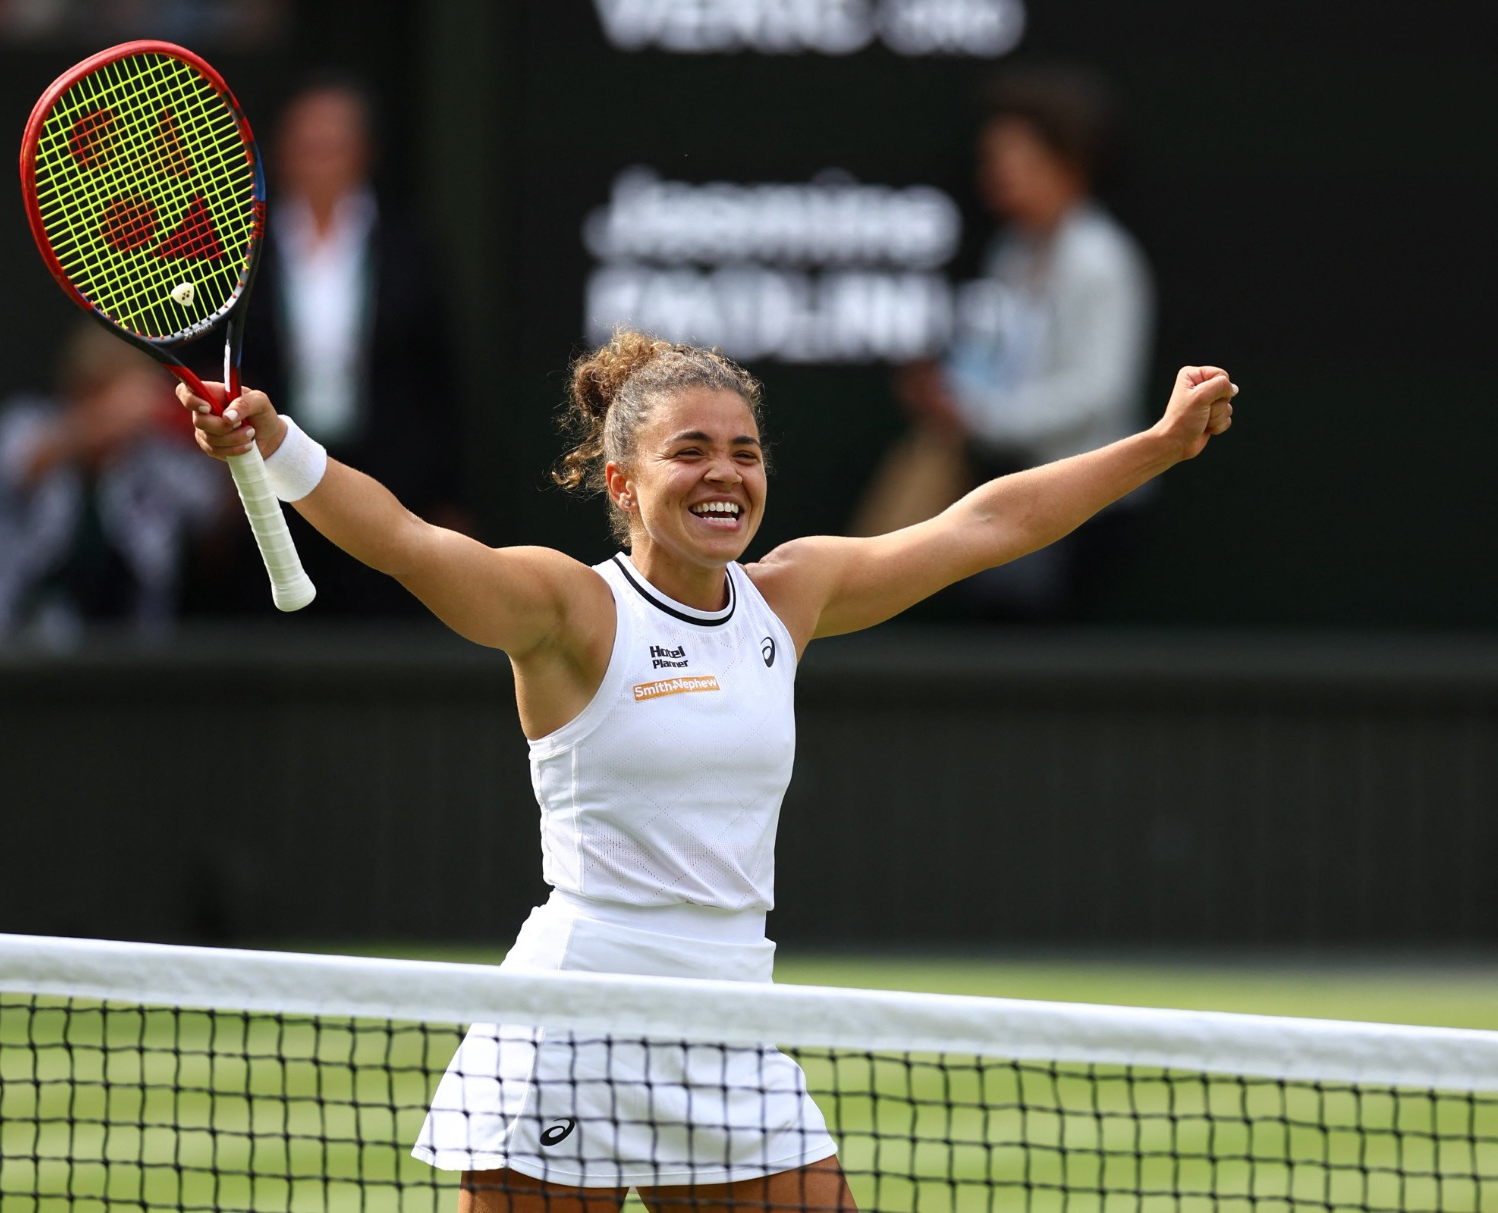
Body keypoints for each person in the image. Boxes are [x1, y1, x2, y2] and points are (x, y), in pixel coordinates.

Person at [178, 330, 1236, 1210]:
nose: (724, 473)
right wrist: (277, 440)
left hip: (731, 1017)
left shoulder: (791, 596)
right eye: (691, 451)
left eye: (743, 450)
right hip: (576, 1017)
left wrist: (1151, 447)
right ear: (622, 483)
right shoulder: (567, 608)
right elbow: (408, 541)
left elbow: (985, 523)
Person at [852, 67, 1155, 621]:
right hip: (1018, 492)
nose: (992, 175)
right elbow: (990, 363)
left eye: (1009, 159)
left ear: (1065, 162)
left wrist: (982, 415)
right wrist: (951, 397)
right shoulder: (1014, 251)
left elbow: (1098, 395)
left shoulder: (1101, 260)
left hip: (1088, 506)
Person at [228, 74, 470, 614]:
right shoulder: (247, 246)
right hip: (267, 485)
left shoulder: (409, 248)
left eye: (331, 147)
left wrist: (449, 498)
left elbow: (440, 379)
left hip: (387, 480)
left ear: (362, 155)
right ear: (282, 156)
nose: (317, 162)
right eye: (305, 148)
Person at [0, 326, 224, 653]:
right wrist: (112, 416)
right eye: (99, 391)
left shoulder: (151, 456)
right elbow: (24, 464)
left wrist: (210, 428)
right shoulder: (22, 424)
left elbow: (216, 514)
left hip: (130, 661)